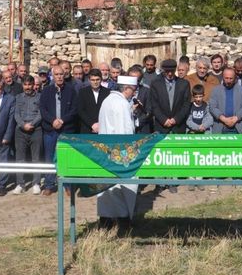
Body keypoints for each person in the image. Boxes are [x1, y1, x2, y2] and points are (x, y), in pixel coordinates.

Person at [96, 75, 139, 230]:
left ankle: (105, 221)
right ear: (126, 88)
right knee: (124, 186)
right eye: (133, 90)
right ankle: (123, 222)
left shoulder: (107, 100)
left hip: (105, 151)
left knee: (107, 187)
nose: (134, 94)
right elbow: (125, 130)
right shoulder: (121, 104)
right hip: (120, 152)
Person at [39, 66, 78, 196]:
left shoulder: (71, 91)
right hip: (50, 129)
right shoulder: (47, 91)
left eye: (61, 74)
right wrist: (53, 121)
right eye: (57, 74)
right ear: (52, 76)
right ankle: (49, 185)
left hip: (66, 129)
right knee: (49, 157)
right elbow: (43, 109)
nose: (59, 76)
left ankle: (67, 184)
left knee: (65, 158)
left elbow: (74, 109)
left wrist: (62, 120)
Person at [13, 75, 43, 195]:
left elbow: (41, 114)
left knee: (36, 158)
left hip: (36, 130)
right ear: (22, 85)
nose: (28, 87)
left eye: (30, 84)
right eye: (25, 85)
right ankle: (20, 183)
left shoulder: (40, 97)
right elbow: (16, 114)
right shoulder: (18, 97)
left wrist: (32, 124)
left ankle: (36, 183)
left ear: (33, 85)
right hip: (20, 130)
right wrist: (23, 125)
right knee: (20, 158)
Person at [148, 59, 191, 133]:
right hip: (161, 127)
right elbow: (154, 104)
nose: (170, 74)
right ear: (163, 70)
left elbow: (186, 104)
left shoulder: (184, 84)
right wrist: (163, 120)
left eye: (172, 71)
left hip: (178, 127)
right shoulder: (155, 84)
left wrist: (176, 119)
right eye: (167, 71)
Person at [209, 68, 242, 134]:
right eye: (226, 78)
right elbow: (212, 107)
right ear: (223, 77)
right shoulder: (216, 90)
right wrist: (223, 119)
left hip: (238, 126)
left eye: (231, 78)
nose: (228, 81)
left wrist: (236, 118)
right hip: (220, 126)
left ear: (235, 78)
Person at [77, 69, 110, 134]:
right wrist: (92, 124)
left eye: (97, 79)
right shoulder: (83, 92)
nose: (95, 82)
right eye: (93, 80)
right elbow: (80, 110)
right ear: (89, 80)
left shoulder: (107, 92)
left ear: (101, 80)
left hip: (103, 128)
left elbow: (108, 111)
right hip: (87, 128)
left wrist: (100, 125)